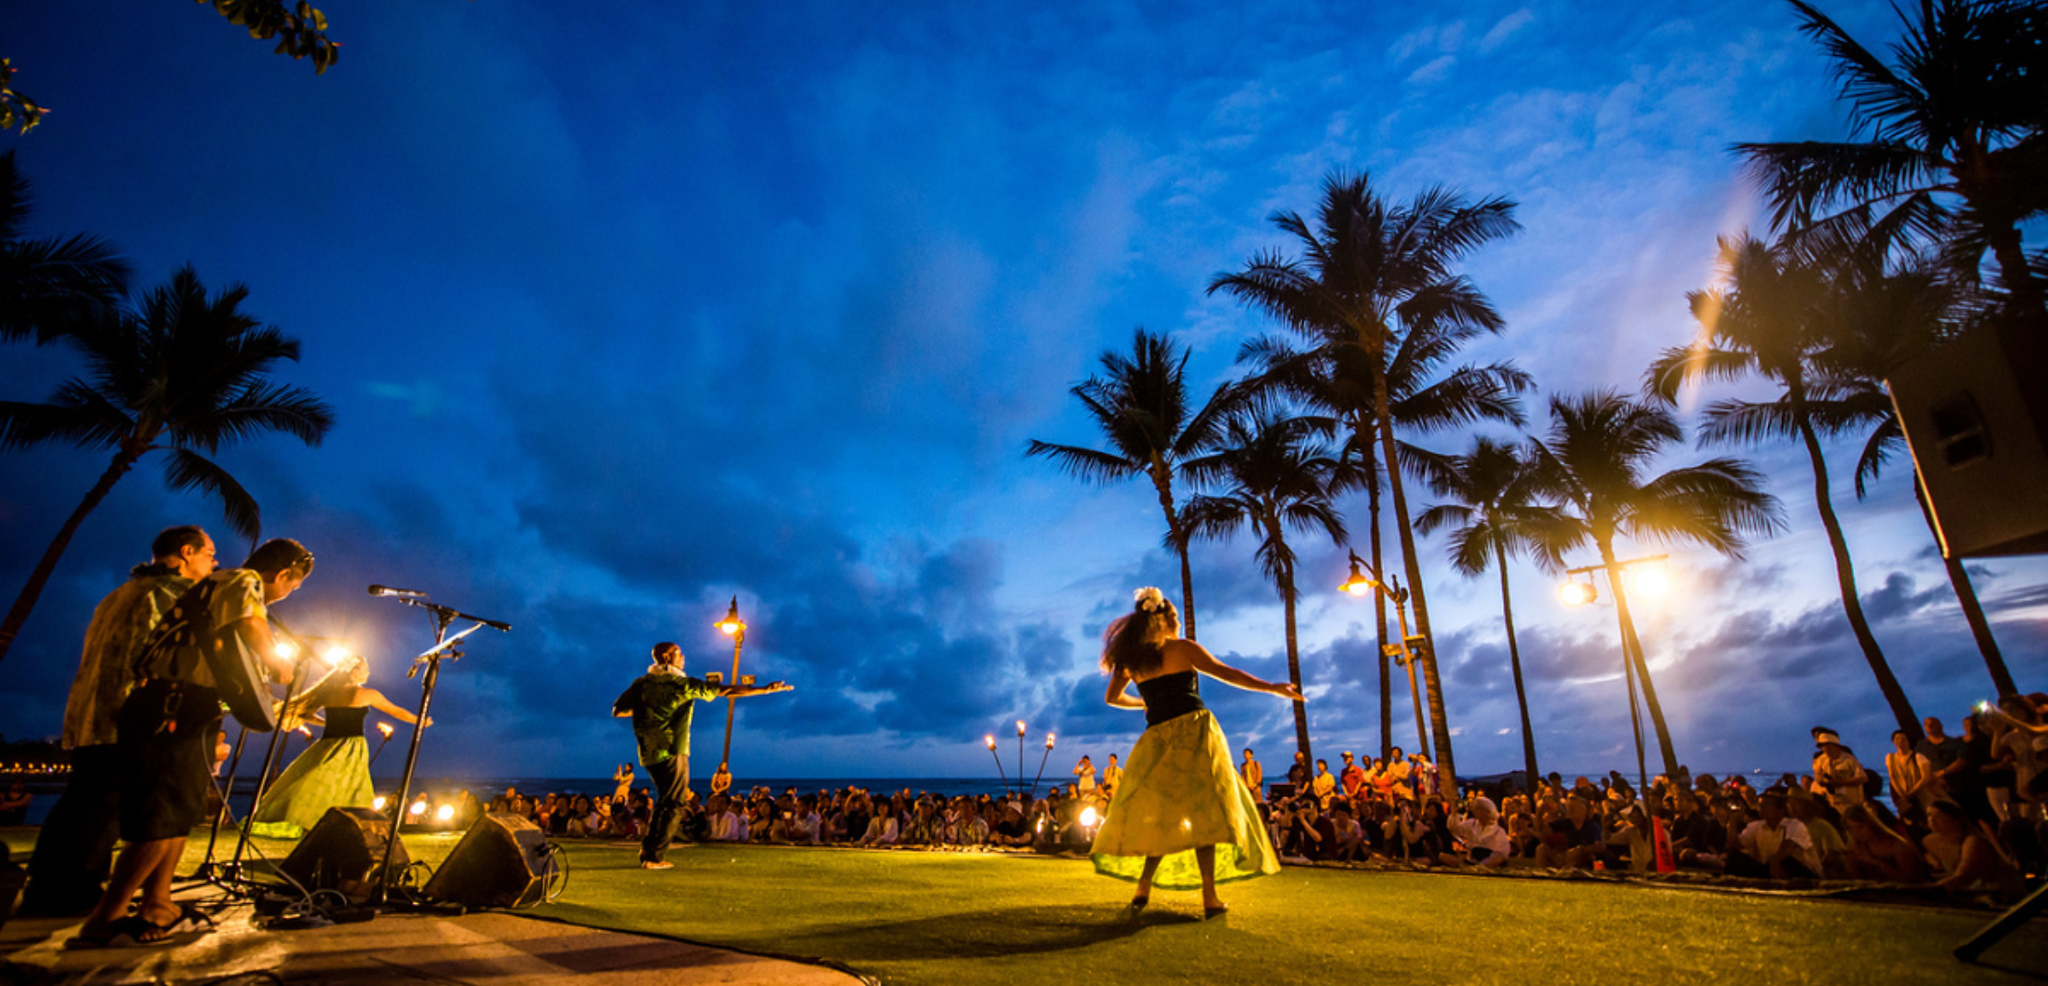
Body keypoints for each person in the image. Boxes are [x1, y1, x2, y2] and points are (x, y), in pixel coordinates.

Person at [73, 538, 311, 948]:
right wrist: (278, 661)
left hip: (189, 706)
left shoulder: (216, 594)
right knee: (158, 814)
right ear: (284, 574)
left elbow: (228, 666)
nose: (289, 594)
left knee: (179, 812)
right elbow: (254, 627)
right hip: (169, 706)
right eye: (293, 586)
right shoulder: (241, 580)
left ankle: (158, 904)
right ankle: (104, 919)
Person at [22, 526, 216, 917]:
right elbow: (175, 659)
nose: (214, 563)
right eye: (209, 554)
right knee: (109, 809)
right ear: (186, 552)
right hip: (133, 715)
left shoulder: (119, 594)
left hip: (90, 711)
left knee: (83, 803)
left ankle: (51, 891)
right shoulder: (172, 595)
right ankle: (71, 897)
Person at [1090, 587, 1299, 918]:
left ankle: (1144, 886)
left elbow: (1112, 698)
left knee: (1161, 816)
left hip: (1158, 738)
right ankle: (1209, 896)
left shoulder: (1134, 660)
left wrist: (1145, 703)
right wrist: (1271, 687)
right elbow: (1229, 674)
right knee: (1206, 815)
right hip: (1194, 733)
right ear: (1163, 619)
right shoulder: (1183, 649)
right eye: (1173, 617)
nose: (1177, 622)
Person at [611, 641, 792, 870]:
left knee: (665, 800)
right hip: (673, 748)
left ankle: (649, 850)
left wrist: (650, 712)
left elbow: (618, 710)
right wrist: (765, 689)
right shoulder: (681, 684)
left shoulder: (641, 684)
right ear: (667, 658)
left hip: (648, 751)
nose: (683, 656)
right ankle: (654, 857)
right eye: (679, 653)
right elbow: (726, 690)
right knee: (675, 802)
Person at [247, 656, 429, 839]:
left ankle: (307, 820)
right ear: (354, 671)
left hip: (327, 743)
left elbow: (304, 713)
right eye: (366, 668)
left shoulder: (328, 693)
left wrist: (325, 722)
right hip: (351, 745)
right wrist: (419, 721)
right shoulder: (365, 694)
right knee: (350, 786)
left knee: (315, 784)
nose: (368, 672)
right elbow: (395, 711)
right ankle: (349, 826)